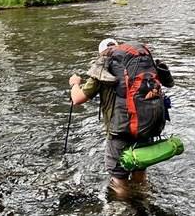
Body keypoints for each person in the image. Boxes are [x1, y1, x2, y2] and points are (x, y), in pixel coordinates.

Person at [69, 38, 174, 198]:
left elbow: (77, 99)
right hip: (144, 125)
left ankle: (124, 207)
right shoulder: (139, 63)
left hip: (120, 130)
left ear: (102, 53)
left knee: (119, 178)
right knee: (139, 169)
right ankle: (143, 201)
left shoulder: (104, 65)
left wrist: (75, 83)